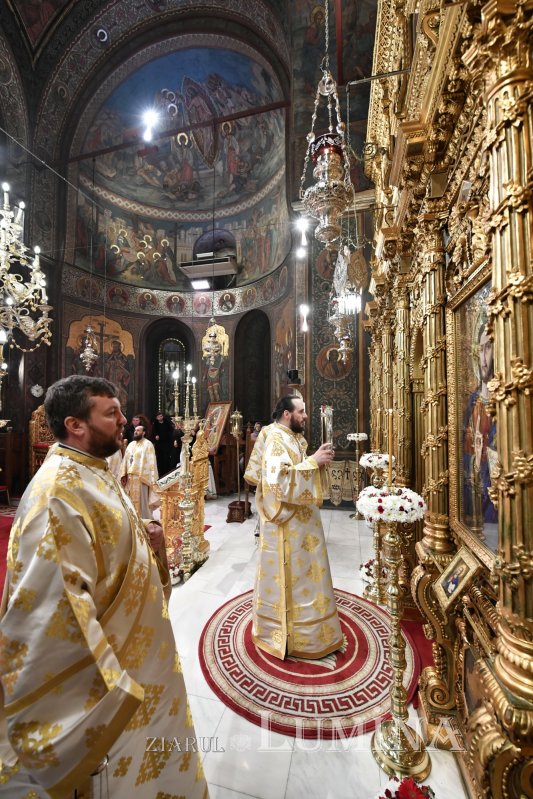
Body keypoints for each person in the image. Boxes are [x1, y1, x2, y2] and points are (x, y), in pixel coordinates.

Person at [0, 375, 207, 798]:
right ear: (76, 424)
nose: (122, 421)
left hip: (145, 656)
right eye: (110, 413)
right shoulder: (56, 494)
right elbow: (52, 619)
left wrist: (154, 545)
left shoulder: (93, 470)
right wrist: (111, 696)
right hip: (118, 685)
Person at [248, 394, 343, 660]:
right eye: (301, 411)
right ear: (287, 414)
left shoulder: (291, 436)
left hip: (303, 523)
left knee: (309, 577)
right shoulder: (277, 439)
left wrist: (315, 461)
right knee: (297, 579)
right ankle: (293, 636)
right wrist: (313, 461)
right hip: (288, 528)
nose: (305, 416)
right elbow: (278, 480)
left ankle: (312, 632)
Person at [463, 322, 497, 527]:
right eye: (481, 348)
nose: (484, 357)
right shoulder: (472, 401)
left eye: (489, 347)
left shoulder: (502, 400)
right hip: (470, 492)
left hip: (494, 496)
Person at [120, 424, 160, 517]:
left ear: (144, 433)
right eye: (135, 430)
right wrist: (123, 474)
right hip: (130, 478)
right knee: (129, 501)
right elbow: (125, 460)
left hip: (142, 478)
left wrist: (151, 478)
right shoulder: (130, 444)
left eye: (138, 430)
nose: (135, 432)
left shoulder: (148, 444)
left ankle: (145, 521)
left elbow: (151, 462)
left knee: (142, 503)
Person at [152, 411, 176, 476]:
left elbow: (171, 431)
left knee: (167, 457)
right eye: (159, 416)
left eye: (161, 416)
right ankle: (160, 472)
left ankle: (167, 472)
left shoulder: (167, 422)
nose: (160, 417)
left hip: (167, 443)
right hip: (159, 444)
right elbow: (154, 432)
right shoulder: (155, 424)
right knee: (160, 458)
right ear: (156, 418)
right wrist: (156, 435)